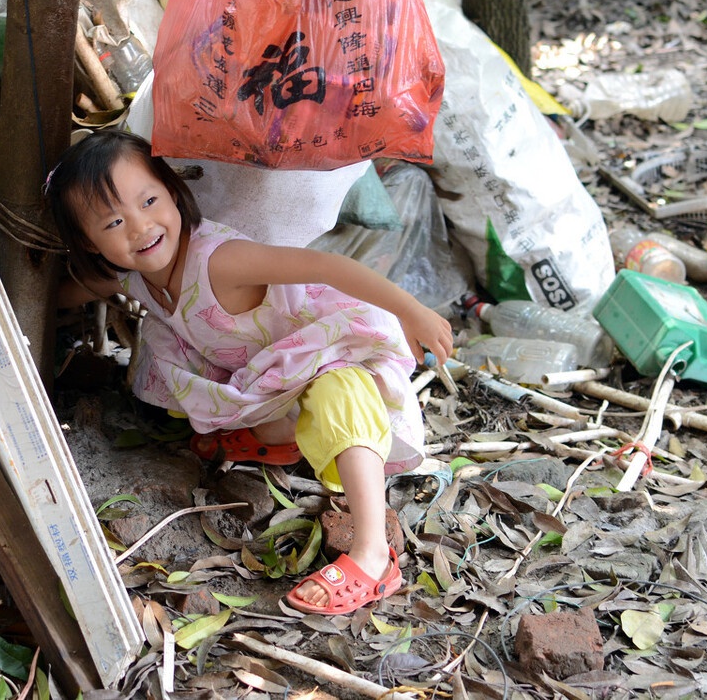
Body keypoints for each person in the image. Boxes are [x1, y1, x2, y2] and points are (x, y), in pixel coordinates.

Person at [47, 130, 454, 616]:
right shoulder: (132, 277)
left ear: (173, 191)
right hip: (268, 373)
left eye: (149, 200)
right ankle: (277, 435)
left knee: (338, 394)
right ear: (89, 242)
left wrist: (413, 312)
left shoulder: (219, 260)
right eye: (114, 221)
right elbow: (62, 291)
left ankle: (373, 555)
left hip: (328, 349)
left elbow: (327, 267)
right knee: (186, 374)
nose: (140, 226)